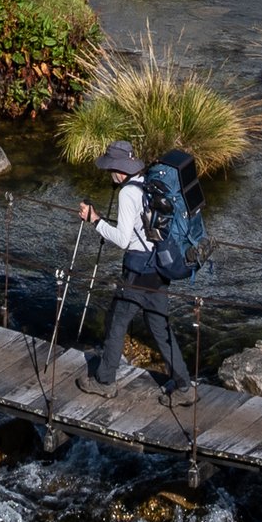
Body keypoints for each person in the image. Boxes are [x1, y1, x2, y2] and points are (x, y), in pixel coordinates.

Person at [75, 137, 193, 392]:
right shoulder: (148, 183)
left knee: (117, 322)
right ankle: (184, 387)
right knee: (160, 328)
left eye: (109, 169)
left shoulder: (128, 193)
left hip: (138, 272)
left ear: (118, 170)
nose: (108, 173)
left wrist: (95, 220)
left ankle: (104, 381)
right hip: (160, 266)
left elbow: (122, 239)